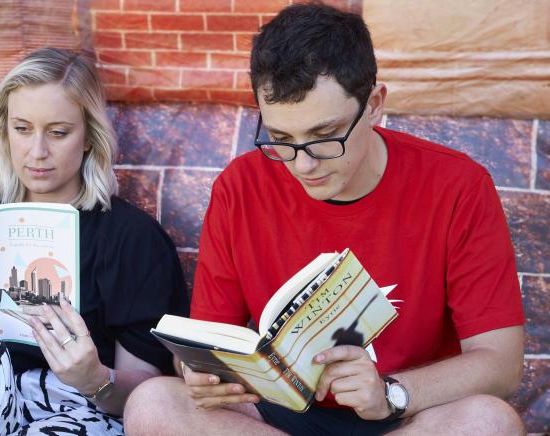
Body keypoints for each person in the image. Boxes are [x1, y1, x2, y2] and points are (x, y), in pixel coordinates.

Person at [123, 3, 525, 435]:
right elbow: (208, 340)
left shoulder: (458, 186)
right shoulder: (239, 187)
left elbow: (500, 364)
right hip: (274, 415)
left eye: (323, 137)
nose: (303, 165)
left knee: (490, 421)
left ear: (373, 105)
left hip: (406, 411)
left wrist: (390, 393)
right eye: (281, 139)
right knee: (152, 404)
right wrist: (201, 375)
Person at [0, 47, 189, 435]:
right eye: (22, 129)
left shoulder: (131, 238)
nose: (37, 151)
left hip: (85, 412)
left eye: (58, 132)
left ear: (89, 136)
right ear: (5, 131)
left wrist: (94, 378)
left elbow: (147, 397)